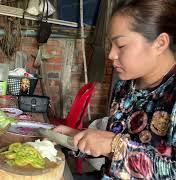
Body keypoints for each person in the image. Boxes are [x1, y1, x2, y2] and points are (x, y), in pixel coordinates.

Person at [53, 0, 176, 179]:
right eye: (111, 45)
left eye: (121, 46)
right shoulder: (125, 87)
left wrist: (113, 145)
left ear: (160, 43)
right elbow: (112, 152)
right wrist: (78, 138)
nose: (111, 55)